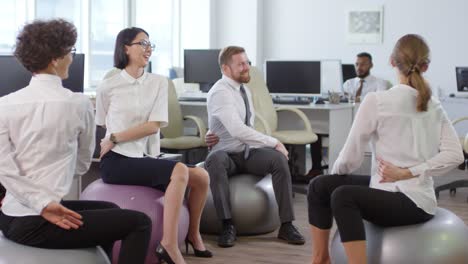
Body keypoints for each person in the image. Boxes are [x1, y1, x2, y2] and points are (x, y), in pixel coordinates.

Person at [0, 19, 152, 264]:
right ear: (54, 59)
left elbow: (4, 171)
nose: (72, 57)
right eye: (69, 51)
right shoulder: (79, 104)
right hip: (37, 224)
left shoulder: (4, 105)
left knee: (110, 209)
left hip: (10, 217)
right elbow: (82, 165)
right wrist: (45, 203)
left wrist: (41, 201)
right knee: (140, 222)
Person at [307, 34, 464, 264]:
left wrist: (406, 172)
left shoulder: (376, 101)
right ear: (426, 66)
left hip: (410, 201)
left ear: (392, 62)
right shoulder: (434, 103)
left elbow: (350, 158)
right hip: (409, 196)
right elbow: (456, 155)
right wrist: (414, 171)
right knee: (320, 186)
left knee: (341, 195)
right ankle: (321, 260)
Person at [95, 27, 212, 264]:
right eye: (142, 43)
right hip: (117, 160)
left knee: (201, 177)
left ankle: (192, 233)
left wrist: (115, 136)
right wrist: (109, 143)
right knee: (180, 170)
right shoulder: (108, 85)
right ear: (125, 47)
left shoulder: (159, 83)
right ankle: (168, 245)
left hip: (144, 156)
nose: (148, 49)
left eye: (150, 45)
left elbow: (153, 126)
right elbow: (101, 125)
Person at [204, 46, 305, 248]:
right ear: (225, 69)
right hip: (225, 155)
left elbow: (243, 127)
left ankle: (286, 225)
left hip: (247, 153)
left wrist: (271, 147)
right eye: (240, 64)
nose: (246, 67)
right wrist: (274, 141)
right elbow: (237, 130)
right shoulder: (220, 93)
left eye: (247, 62)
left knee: (278, 160)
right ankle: (227, 224)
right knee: (214, 161)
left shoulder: (244, 90)